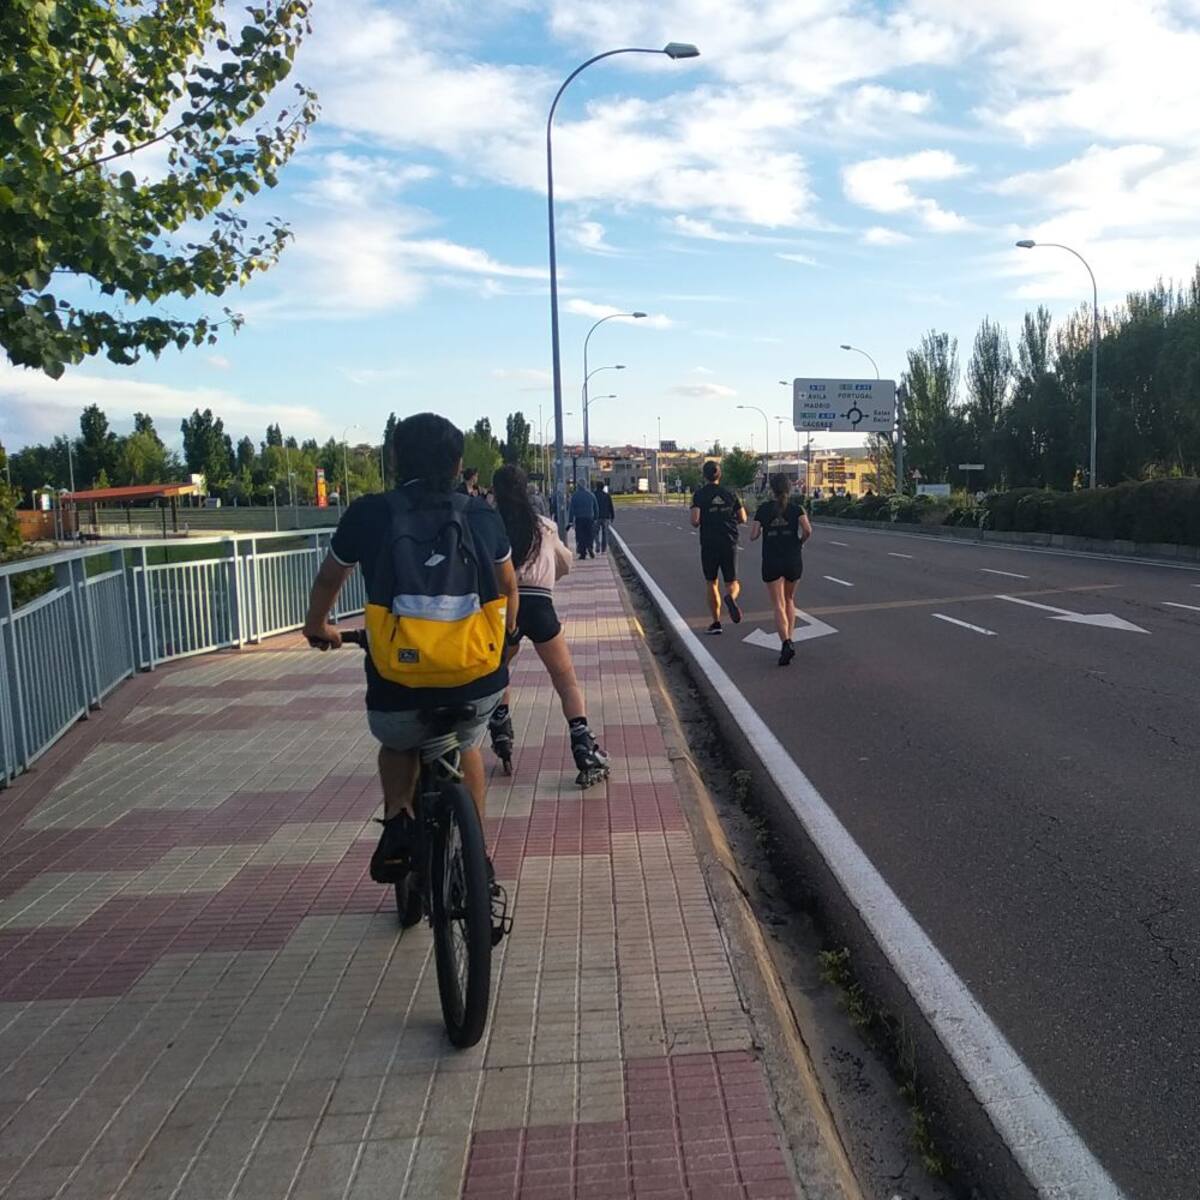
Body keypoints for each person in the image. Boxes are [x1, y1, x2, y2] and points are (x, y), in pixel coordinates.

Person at [301, 413, 520, 922]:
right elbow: (508, 586)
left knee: (398, 739)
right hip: (476, 676)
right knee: (466, 744)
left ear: (396, 460)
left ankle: (400, 820)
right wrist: (505, 644)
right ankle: (476, 864)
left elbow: (329, 579)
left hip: (399, 681)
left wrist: (320, 627)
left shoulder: (369, 514)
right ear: (459, 463)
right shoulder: (481, 514)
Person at [489, 465, 610, 786]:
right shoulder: (544, 527)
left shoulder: (490, 526)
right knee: (565, 679)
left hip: (502, 611)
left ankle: (500, 726)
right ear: (526, 489)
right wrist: (546, 577)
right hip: (540, 606)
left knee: (499, 670)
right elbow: (566, 562)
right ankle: (583, 744)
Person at [750, 473, 812, 666]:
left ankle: (785, 642)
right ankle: (790, 639)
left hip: (772, 558)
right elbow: (808, 530)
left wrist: (764, 530)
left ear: (771, 489)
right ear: (789, 488)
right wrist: (800, 542)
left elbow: (753, 535)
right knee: (789, 600)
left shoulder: (764, 509)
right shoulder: (796, 509)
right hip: (792, 558)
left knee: (778, 604)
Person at [690, 460, 746, 634]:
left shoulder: (699, 495)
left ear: (704, 476)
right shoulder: (730, 493)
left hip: (709, 543)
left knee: (711, 582)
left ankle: (716, 622)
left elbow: (695, 521)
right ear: (719, 475)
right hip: (729, 541)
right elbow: (743, 517)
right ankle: (731, 597)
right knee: (732, 582)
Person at [568, 480, 599, 559]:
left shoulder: (575, 496)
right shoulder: (591, 495)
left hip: (579, 518)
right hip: (589, 517)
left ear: (578, 486)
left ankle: (582, 552)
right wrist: (596, 517)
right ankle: (590, 547)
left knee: (580, 535)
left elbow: (571, 509)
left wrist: (570, 520)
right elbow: (596, 507)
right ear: (586, 485)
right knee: (589, 534)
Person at [593, 479, 615, 552]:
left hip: (596, 517)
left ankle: (597, 544)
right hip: (606, 516)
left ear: (596, 487)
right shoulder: (607, 495)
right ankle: (603, 548)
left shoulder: (593, 495)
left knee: (595, 532)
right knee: (604, 533)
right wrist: (612, 516)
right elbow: (610, 506)